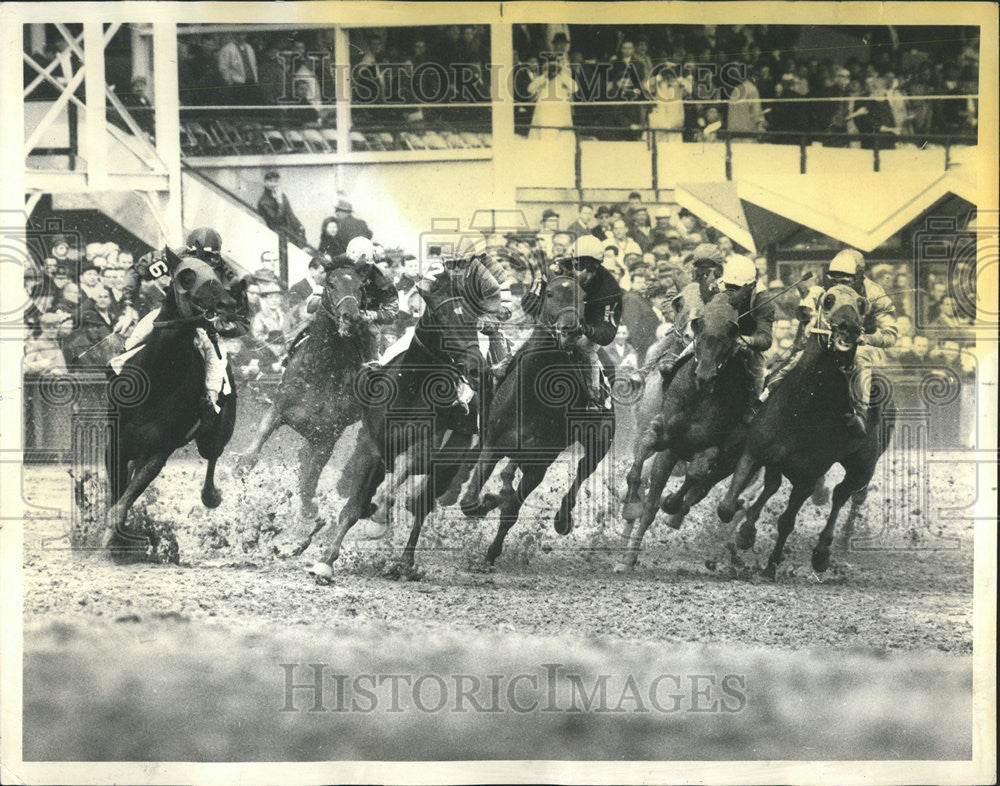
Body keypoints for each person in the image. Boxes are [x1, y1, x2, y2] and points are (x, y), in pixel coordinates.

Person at [117, 227, 252, 420]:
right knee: (141, 330)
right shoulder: (172, 257)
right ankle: (119, 366)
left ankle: (211, 398)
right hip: (171, 314)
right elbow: (137, 271)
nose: (200, 260)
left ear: (217, 257)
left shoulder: (229, 275)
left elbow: (243, 320)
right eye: (194, 255)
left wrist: (224, 326)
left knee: (216, 355)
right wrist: (128, 306)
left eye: (208, 257)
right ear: (187, 251)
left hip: (204, 322)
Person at [766, 249, 897, 436]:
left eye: (845, 281)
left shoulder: (876, 293)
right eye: (834, 280)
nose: (838, 285)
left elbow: (890, 334)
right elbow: (808, 306)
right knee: (797, 356)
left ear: (859, 276)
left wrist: (866, 338)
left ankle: (860, 412)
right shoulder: (824, 286)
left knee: (860, 358)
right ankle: (770, 391)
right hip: (828, 337)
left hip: (862, 342)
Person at [660, 255, 774, 420]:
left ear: (752, 285)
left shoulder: (763, 299)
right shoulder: (718, 288)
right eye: (729, 286)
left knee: (757, 371)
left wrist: (747, 340)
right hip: (716, 337)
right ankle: (674, 367)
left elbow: (765, 338)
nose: (732, 291)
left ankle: (751, 410)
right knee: (695, 345)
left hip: (745, 342)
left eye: (739, 287)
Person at [550, 235, 624, 411]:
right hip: (556, 320)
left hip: (586, 327)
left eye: (591, 268)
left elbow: (606, 333)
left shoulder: (610, 288)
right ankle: (506, 364)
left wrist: (585, 328)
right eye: (579, 266)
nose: (585, 274)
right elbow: (532, 301)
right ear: (572, 262)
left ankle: (593, 397)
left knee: (584, 346)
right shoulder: (557, 268)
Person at [322, 237, 399, 365]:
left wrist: (373, 315)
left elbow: (393, 311)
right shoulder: (339, 268)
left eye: (363, 268)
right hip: (339, 313)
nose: (359, 272)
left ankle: (372, 365)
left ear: (371, 263)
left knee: (371, 333)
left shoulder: (383, 279)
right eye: (354, 267)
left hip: (368, 320)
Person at [257, 170, 307, 247]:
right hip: (276, 237)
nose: (273, 184)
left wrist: (300, 228)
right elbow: (276, 220)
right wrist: (280, 203)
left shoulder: (282, 196)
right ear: (265, 182)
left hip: (288, 233)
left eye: (276, 181)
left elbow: (290, 215)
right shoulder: (264, 201)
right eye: (270, 181)